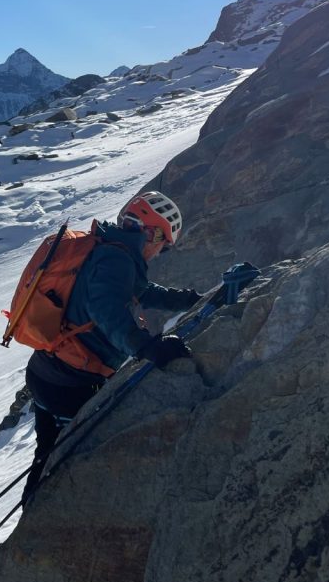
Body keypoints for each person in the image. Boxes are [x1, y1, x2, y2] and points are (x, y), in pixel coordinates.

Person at [21, 190, 201, 504]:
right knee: (68, 467)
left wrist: (186, 300)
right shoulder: (118, 259)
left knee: (47, 455)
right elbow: (105, 308)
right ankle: (50, 523)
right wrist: (147, 348)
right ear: (151, 233)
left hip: (48, 372)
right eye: (163, 244)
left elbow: (142, 292)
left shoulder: (108, 248)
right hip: (72, 382)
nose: (160, 253)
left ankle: (32, 512)